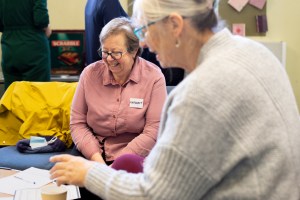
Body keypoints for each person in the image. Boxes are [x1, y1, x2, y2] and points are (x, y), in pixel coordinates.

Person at [50, 0, 300, 199]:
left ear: (175, 25)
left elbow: (155, 194)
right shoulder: (254, 52)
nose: (144, 41)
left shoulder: (196, 94)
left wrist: (89, 173)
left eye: (145, 28)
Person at [70, 17, 167, 166]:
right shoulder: (89, 74)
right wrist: (98, 162)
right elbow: (77, 123)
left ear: (134, 51)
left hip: (136, 156)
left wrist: (118, 164)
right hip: (95, 155)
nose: (109, 59)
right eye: (104, 51)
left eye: (116, 53)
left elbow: (154, 130)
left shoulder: (154, 77)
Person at [0, 0, 51, 90]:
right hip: (33, 47)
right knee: (37, 94)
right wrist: (47, 29)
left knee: (12, 95)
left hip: (9, 47)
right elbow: (41, 20)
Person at [85, 0, 128, 65]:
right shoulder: (109, 2)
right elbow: (116, 38)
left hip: (94, 66)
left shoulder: (90, 1)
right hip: (108, 67)